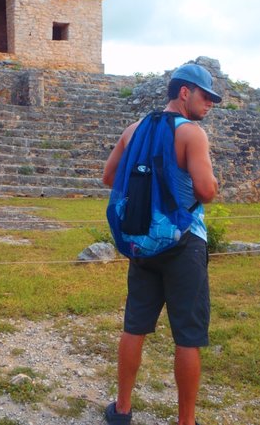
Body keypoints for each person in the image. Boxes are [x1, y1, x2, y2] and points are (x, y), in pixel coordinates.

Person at [102, 63, 221, 425]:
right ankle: (186, 421)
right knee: (187, 335)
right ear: (184, 92)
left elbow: (109, 178)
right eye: (206, 96)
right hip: (185, 245)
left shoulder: (133, 130)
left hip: (143, 244)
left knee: (134, 326)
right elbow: (206, 191)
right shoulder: (192, 134)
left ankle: (122, 410)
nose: (210, 104)